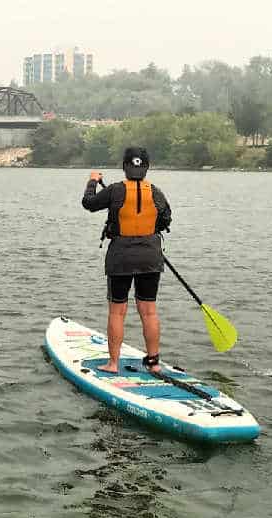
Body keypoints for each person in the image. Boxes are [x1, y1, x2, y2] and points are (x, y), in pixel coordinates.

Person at [81, 147, 172, 375]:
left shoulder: (115, 191)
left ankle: (113, 364)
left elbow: (89, 203)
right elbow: (166, 219)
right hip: (150, 256)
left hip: (121, 256)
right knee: (149, 310)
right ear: (146, 168)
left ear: (124, 167)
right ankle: (154, 363)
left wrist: (93, 181)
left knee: (117, 311)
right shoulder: (156, 192)